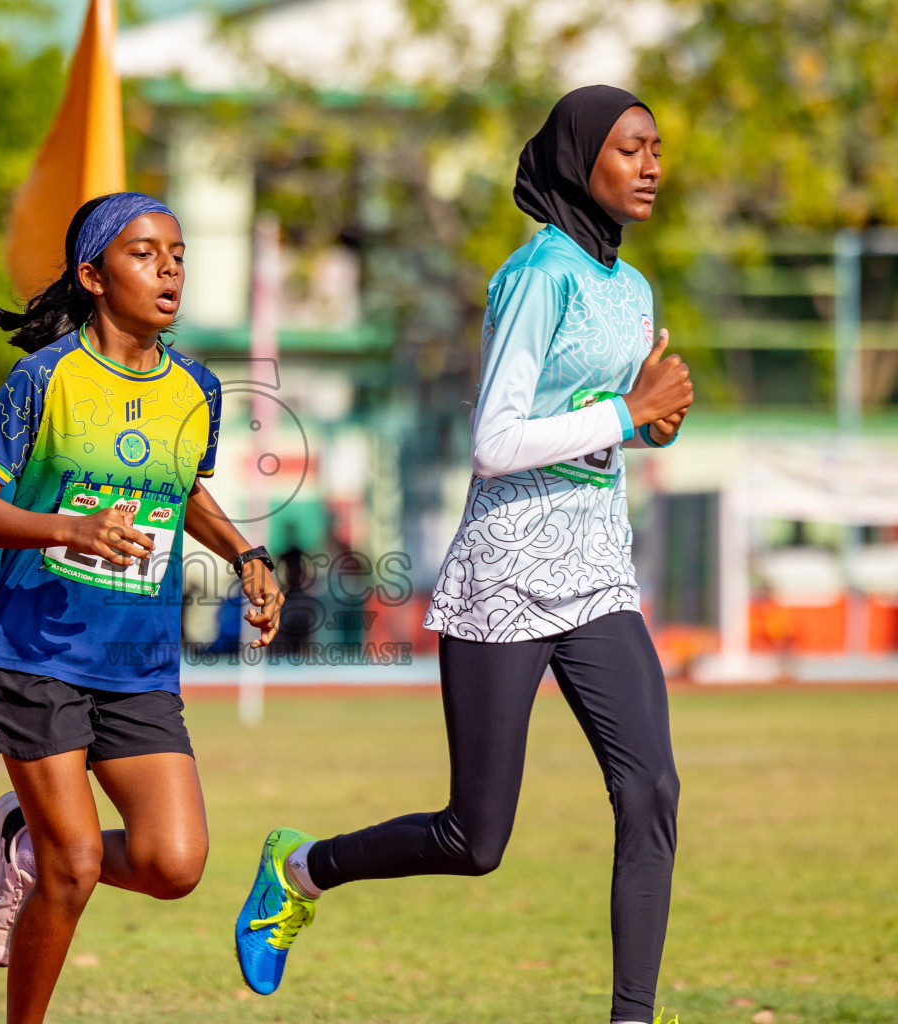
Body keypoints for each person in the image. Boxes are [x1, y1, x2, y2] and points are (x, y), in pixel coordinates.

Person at [233, 86, 693, 1024]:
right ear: (578, 159)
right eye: (631, 148)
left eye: (656, 149)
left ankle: (632, 1018)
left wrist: (651, 426)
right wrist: (624, 413)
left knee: (650, 789)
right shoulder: (539, 274)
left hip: (597, 566)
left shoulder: (634, 289)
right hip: (506, 573)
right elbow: (495, 439)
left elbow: (600, 434)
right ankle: (297, 871)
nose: (650, 166)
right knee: (475, 837)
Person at [0, 192, 284, 1024]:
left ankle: (23, 838)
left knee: (174, 863)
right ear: (92, 276)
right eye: (143, 252)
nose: (168, 268)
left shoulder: (197, 387)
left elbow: (182, 492)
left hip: (138, 662)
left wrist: (244, 554)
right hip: (36, 652)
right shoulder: (45, 377)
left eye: (176, 253)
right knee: (77, 865)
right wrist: (69, 527)